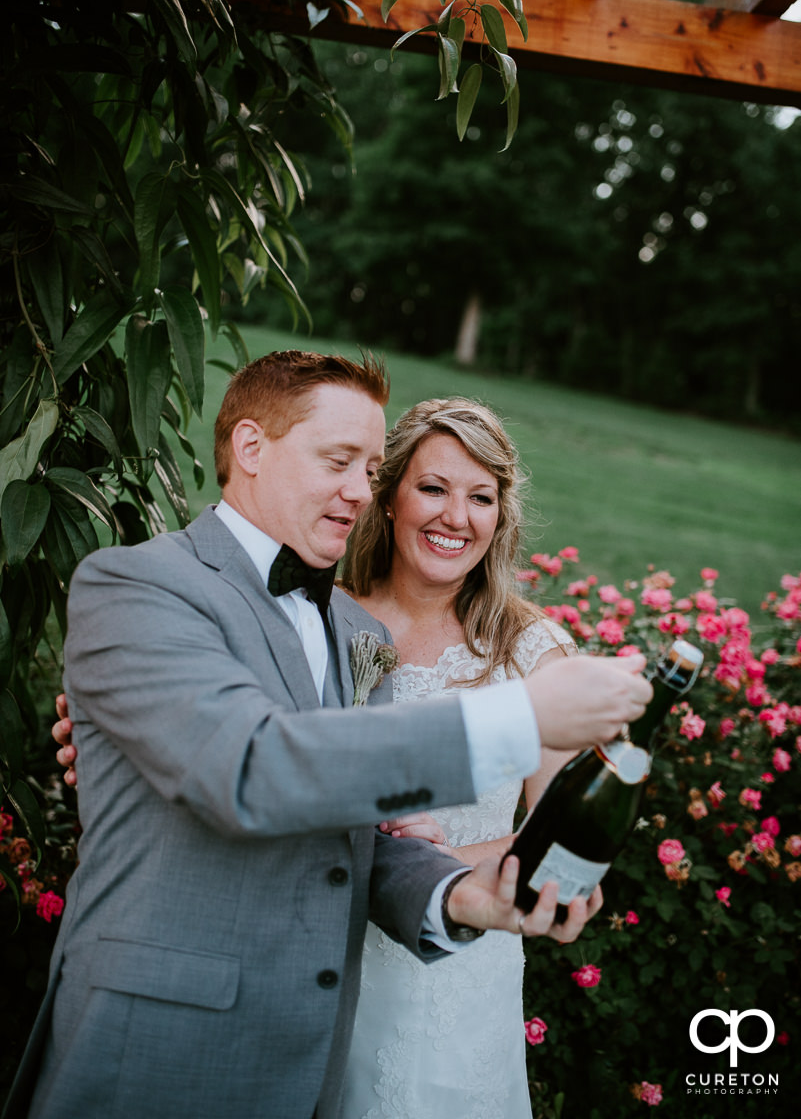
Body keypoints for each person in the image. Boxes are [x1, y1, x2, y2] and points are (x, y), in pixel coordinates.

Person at [7, 351, 652, 1119]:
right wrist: (524, 715)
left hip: (309, 1059)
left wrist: (464, 897)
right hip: (158, 1053)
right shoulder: (138, 584)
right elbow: (249, 766)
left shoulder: (349, 627)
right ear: (250, 448)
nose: (359, 491)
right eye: (339, 461)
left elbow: (354, 838)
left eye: (370, 467)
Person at [338, 397, 577, 1118]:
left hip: (461, 977)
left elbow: (564, 839)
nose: (455, 516)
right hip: (327, 957)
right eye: (433, 488)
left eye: (480, 496)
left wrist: (439, 872)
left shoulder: (532, 652)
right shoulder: (327, 620)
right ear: (387, 497)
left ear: (500, 516)